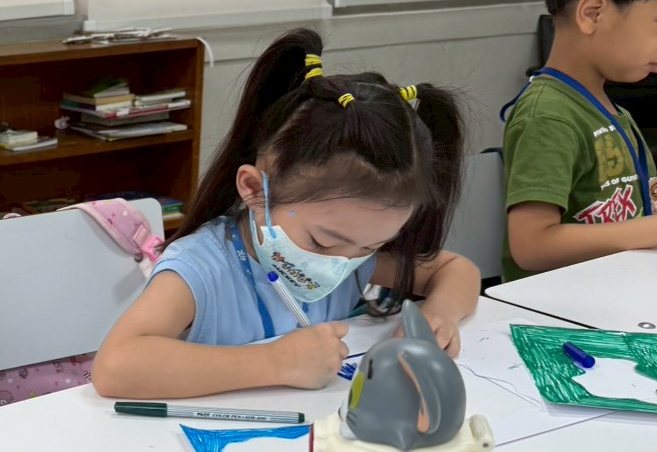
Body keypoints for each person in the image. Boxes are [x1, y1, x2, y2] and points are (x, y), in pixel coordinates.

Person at [92, 28, 478, 399]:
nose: (342, 264)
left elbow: (457, 270)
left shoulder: (352, 256)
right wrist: (274, 364)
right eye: (322, 242)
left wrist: (439, 314)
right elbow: (115, 366)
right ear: (254, 189)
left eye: (372, 246)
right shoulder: (202, 269)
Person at [502, 0, 657, 280]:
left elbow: (601, 205)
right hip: (557, 304)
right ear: (593, 14)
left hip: (612, 288)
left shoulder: (603, 108)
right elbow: (532, 245)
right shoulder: (550, 116)